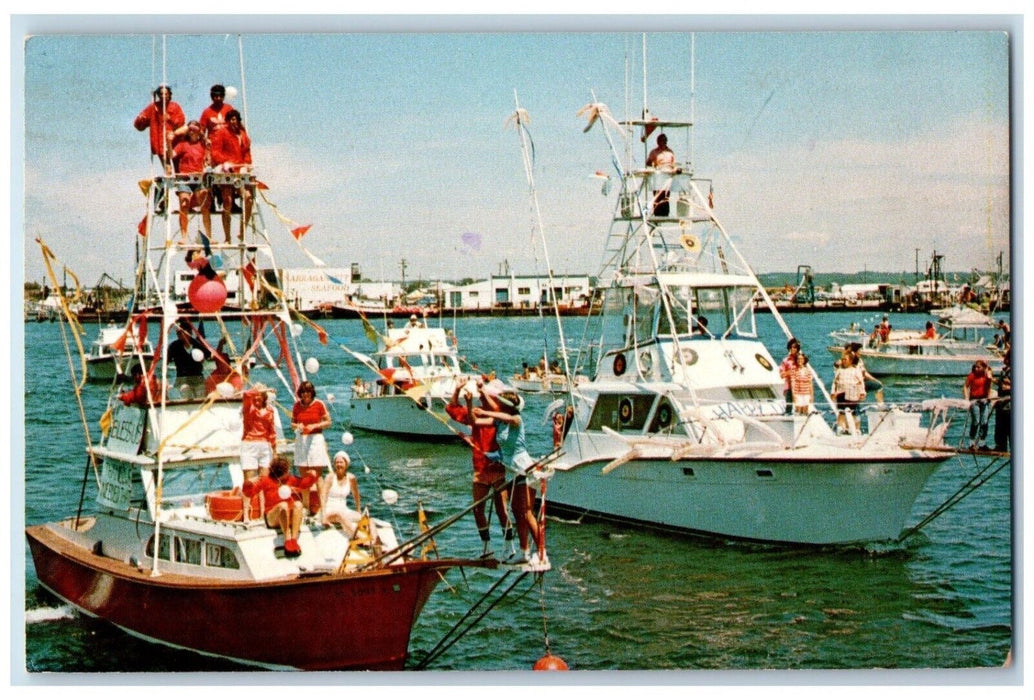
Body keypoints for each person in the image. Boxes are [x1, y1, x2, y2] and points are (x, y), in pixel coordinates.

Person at [446, 378, 513, 557]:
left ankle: (509, 546)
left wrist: (476, 396)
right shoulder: (479, 415)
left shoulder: (500, 419)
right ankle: (487, 547)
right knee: (478, 510)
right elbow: (452, 409)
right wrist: (458, 390)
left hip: (496, 468)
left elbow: (496, 411)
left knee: (502, 510)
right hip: (481, 469)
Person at [477, 388, 543, 566]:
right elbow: (479, 420)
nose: (496, 406)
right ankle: (524, 551)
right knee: (517, 512)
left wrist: (485, 410)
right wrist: (479, 396)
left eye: (500, 405)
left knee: (527, 513)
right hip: (511, 472)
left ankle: (541, 552)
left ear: (506, 407)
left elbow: (504, 415)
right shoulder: (500, 421)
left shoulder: (516, 419)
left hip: (523, 469)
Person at [242, 457, 316, 558]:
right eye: (287, 470)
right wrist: (248, 483)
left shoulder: (290, 479)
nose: (289, 472)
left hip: (287, 515)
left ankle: (293, 539)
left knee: (298, 504)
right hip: (272, 517)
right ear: (282, 472)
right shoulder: (266, 480)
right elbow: (249, 493)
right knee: (283, 505)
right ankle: (287, 538)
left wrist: (312, 477)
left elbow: (304, 484)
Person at [209, 109, 253, 242]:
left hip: (240, 172)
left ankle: (242, 231)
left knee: (248, 198)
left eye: (236, 119)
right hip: (227, 172)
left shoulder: (243, 135)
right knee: (227, 202)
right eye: (231, 120)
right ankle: (227, 236)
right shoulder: (221, 133)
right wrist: (227, 162)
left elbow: (247, 153)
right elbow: (215, 153)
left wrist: (247, 164)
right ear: (227, 121)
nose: (234, 122)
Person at [291, 380, 332, 512]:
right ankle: (306, 506)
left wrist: (315, 425)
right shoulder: (297, 406)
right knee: (304, 476)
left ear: (312, 392)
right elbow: (292, 424)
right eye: (303, 392)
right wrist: (299, 426)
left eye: (308, 392)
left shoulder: (319, 404)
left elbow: (328, 422)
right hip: (302, 440)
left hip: (316, 440)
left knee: (317, 475)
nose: (305, 395)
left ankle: (323, 507)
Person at [170, 120, 212, 242]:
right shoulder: (183, 144)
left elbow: (208, 161)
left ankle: (209, 236)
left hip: (198, 177)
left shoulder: (203, 145)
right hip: (185, 178)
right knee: (184, 204)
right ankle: (184, 237)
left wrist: (208, 150)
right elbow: (172, 155)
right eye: (190, 129)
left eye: (195, 129)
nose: (192, 132)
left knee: (205, 205)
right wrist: (168, 142)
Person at [134, 85, 185, 169]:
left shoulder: (175, 106)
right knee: (167, 168)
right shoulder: (153, 107)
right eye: (161, 94)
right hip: (160, 143)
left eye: (166, 94)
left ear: (169, 95)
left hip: (175, 142)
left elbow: (181, 123)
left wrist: (170, 119)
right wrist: (141, 120)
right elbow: (138, 126)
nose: (163, 96)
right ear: (158, 95)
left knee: (178, 168)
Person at [240, 383, 277, 484]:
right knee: (249, 481)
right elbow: (246, 394)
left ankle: (263, 500)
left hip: (265, 446)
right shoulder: (249, 409)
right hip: (249, 444)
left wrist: (275, 451)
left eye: (259, 396)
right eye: (255, 396)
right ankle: (248, 500)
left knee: (265, 481)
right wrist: (261, 389)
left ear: (264, 397)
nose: (257, 399)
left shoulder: (270, 410)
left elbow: (272, 432)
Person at [320, 451, 363, 535]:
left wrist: (358, 510)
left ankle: (376, 542)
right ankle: (359, 538)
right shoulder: (330, 477)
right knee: (339, 515)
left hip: (344, 510)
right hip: (330, 511)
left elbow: (356, 495)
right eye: (337, 462)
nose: (339, 464)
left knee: (365, 518)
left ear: (346, 464)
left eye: (341, 462)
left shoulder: (351, 478)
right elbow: (323, 496)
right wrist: (323, 516)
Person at [167, 324, 208, 398]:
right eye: (178, 333)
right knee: (185, 391)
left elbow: (208, 355)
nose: (179, 335)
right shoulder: (174, 346)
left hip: (198, 378)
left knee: (201, 393)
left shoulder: (198, 344)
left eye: (181, 332)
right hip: (182, 379)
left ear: (189, 332)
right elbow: (166, 361)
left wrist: (203, 359)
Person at [831, 351, 866, 432]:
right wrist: (833, 392)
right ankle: (840, 428)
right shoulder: (839, 370)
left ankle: (855, 429)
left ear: (850, 360)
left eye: (845, 359)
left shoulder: (856, 370)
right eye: (842, 359)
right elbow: (835, 382)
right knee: (841, 412)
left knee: (854, 413)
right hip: (841, 393)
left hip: (853, 394)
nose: (843, 361)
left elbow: (861, 382)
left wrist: (862, 393)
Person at [963, 359, 993, 450]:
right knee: (976, 421)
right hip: (974, 400)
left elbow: (989, 382)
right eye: (975, 367)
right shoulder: (972, 376)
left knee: (984, 422)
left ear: (983, 368)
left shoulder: (986, 376)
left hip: (984, 400)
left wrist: (987, 370)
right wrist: (967, 399)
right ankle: (971, 443)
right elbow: (965, 386)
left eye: (979, 367)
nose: (976, 369)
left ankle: (982, 443)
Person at [646, 133, 675, 216]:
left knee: (666, 195)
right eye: (663, 140)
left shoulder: (670, 152)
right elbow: (648, 162)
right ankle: (657, 213)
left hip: (668, 176)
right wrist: (654, 166)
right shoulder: (654, 152)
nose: (665, 142)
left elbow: (673, 164)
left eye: (665, 140)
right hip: (658, 176)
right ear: (658, 142)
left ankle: (665, 213)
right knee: (658, 195)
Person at [993, 351, 1011, 453]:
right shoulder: (1005, 370)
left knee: (1010, 427)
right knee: (1000, 428)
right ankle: (1000, 446)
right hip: (1001, 404)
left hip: (1009, 405)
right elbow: (1002, 384)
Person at [779, 338, 801, 415]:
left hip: (799, 386)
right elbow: (782, 375)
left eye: (796, 347)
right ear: (789, 348)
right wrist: (790, 372)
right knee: (789, 405)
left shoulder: (800, 360)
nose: (794, 349)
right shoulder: (786, 360)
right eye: (792, 347)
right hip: (789, 386)